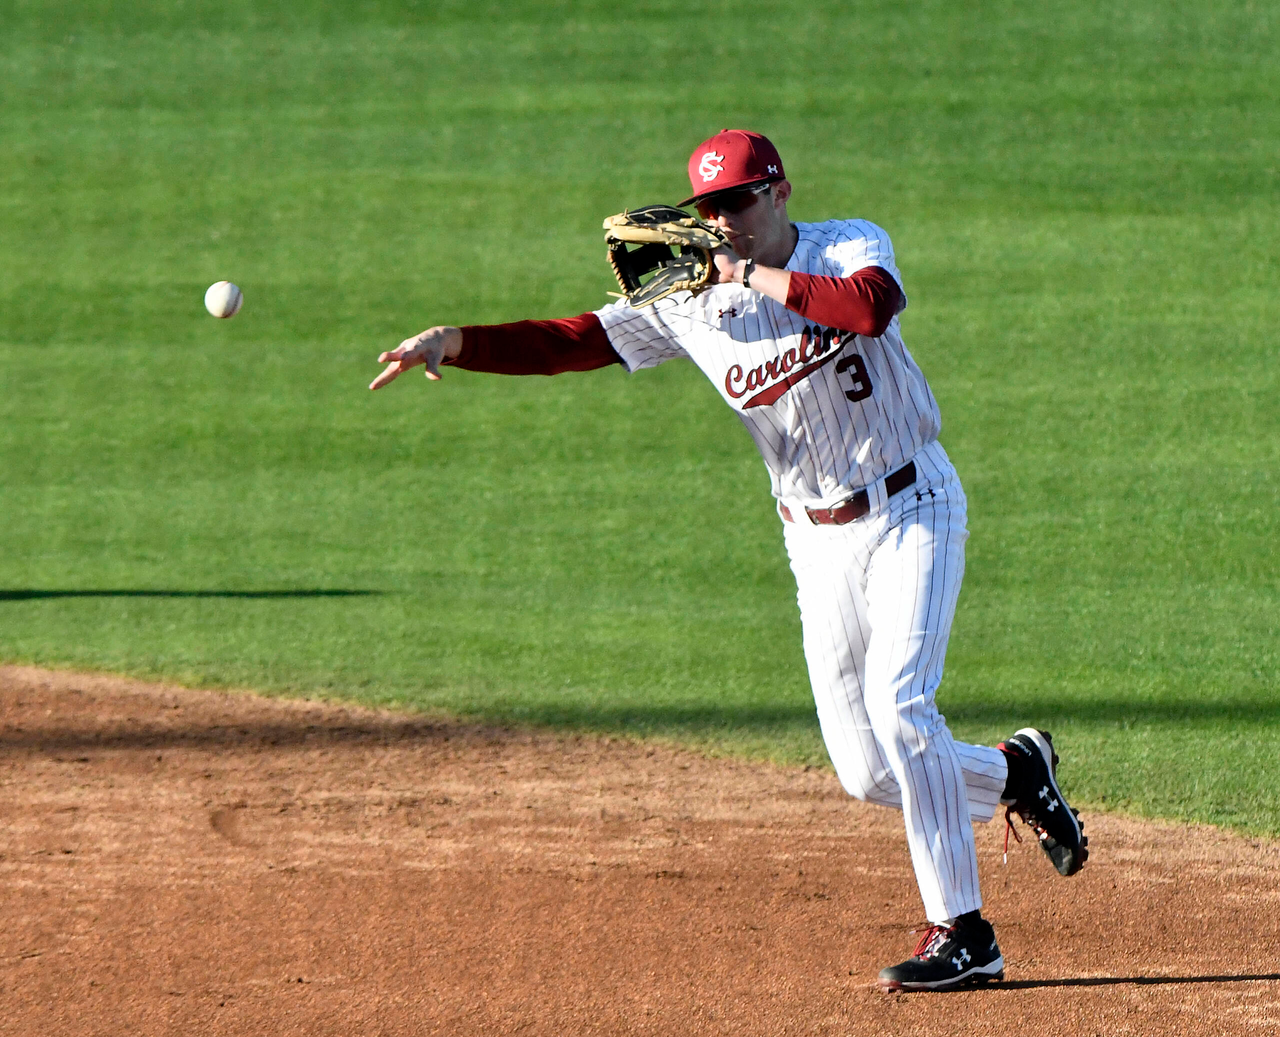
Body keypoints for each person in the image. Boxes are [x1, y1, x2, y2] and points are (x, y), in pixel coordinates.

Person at [370, 129, 1087, 990]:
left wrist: (742, 273)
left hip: (912, 505)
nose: (724, 221)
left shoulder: (848, 242)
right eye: (710, 208)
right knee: (867, 771)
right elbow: (577, 339)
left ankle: (964, 933)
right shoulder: (685, 299)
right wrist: (456, 341)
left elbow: (868, 309)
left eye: (738, 202)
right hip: (814, 538)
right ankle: (1015, 771)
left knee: (904, 710)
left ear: (779, 194)